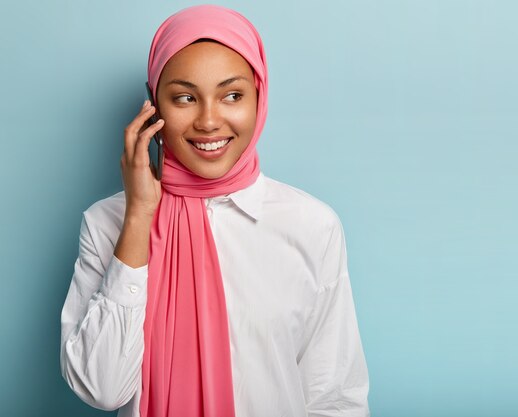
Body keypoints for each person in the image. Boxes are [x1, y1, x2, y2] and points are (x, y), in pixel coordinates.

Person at [60, 5, 369, 417]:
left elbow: (334, 396)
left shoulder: (311, 225)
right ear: (154, 106)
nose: (208, 120)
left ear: (260, 98)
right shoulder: (107, 223)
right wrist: (138, 217)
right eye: (185, 97)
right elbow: (102, 389)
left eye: (232, 95)